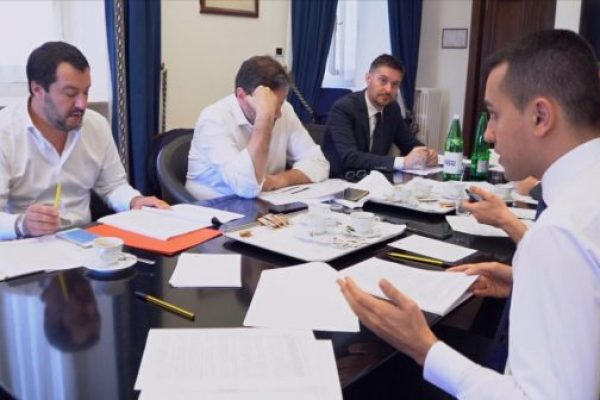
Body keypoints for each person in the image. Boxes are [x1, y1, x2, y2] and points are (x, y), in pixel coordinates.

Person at [339, 30, 600, 399]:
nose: (489, 135)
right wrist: (522, 278)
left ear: (541, 116)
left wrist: (421, 346)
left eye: (493, 115)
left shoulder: (559, 234)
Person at [0, 41, 167, 241]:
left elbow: (112, 186)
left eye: (86, 92)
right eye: (70, 93)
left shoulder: (96, 125)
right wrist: (22, 224)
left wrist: (135, 200)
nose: (82, 104)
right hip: (26, 246)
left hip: (84, 243)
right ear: (37, 89)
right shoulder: (6, 132)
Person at [185, 55, 329, 199]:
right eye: (269, 104)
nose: (278, 113)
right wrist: (264, 117)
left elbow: (319, 163)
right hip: (215, 206)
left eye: (280, 103)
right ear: (241, 96)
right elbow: (246, 187)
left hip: (263, 202)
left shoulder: (285, 110)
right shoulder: (213, 119)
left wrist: (276, 181)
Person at [322, 54, 438, 178]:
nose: (389, 89)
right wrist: (402, 162)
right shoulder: (343, 108)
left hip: (376, 182)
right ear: (368, 78)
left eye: (395, 84)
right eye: (383, 80)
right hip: (341, 181)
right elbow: (350, 157)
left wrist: (427, 154)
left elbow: (409, 143)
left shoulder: (392, 109)